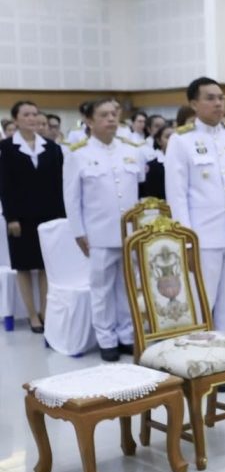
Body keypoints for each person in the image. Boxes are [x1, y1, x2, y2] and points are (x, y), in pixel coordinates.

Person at [165, 77, 225, 347]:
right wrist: (187, 240)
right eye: (210, 98)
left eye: (221, 98)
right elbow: (177, 195)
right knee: (201, 301)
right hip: (203, 237)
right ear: (194, 104)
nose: (218, 103)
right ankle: (201, 356)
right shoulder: (181, 141)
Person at [63, 98, 144, 361]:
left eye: (114, 114)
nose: (111, 119)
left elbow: (138, 188)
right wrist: (79, 232)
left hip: (129, 233)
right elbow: (72, 199)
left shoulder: (130, 150)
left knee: (127, 287)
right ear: (89, 121)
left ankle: (126, 335)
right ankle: (106, 339)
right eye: (104, 115)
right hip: (98, 234)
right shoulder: (79, 154)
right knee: (101, 289)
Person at [0, 100, 66, 332]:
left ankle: (45, 311)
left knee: (46, 265)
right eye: (26, 114)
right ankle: (31, 314)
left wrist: (62, 217)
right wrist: (11, 217)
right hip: (21, 217)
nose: (31, 118)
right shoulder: (6, 148)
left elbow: (59, 184)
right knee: (24, 266)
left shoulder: (52, 147)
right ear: (16, 119)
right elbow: (5, 185)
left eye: (34, 114)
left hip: (49, 214)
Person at [139, 124, 171, 199]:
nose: (172, 140)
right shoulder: (153, 166)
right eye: (168, 137)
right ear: (159, 141)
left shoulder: (184, 162)